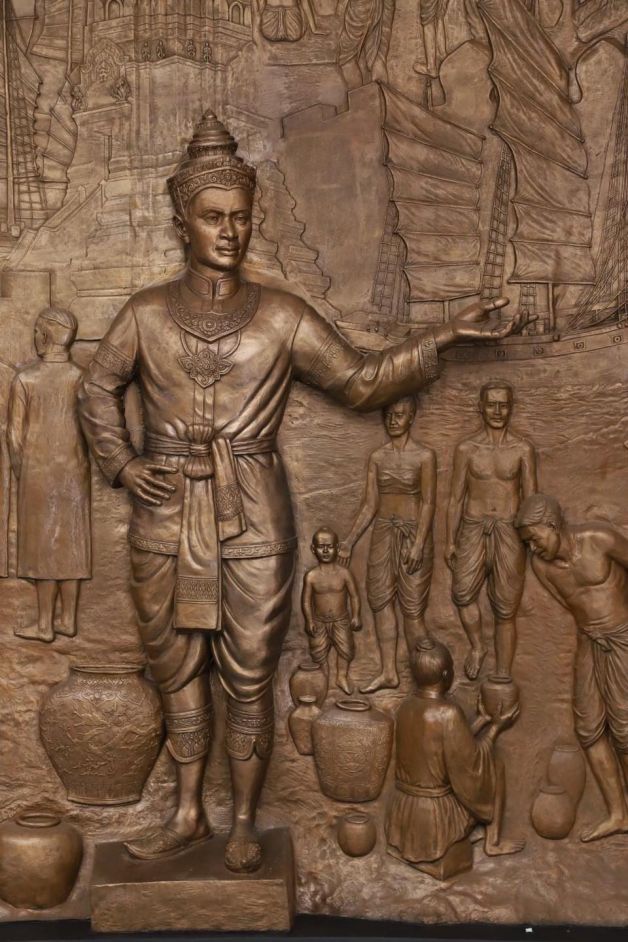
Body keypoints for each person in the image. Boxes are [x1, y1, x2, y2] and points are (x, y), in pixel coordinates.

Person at [78, 109, 529, 873]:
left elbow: (361, 381)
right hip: (164, 514)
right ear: (182, 223)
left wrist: (444, 335)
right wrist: (122, 464)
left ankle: (243, 821)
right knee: (177, 671)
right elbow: (96, 388)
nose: (230, 232)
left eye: (241, 217)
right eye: (213, 217)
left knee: (249, 674)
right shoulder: (145, 315)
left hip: (253, 515)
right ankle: (186, 812)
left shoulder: (281, 317)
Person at [515, 494, 628, 842]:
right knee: (589, 728)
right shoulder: (542, 567)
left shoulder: (600, 539)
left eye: (534, 538)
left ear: (552, 525)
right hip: (588, 642)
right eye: (527, 543)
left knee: (625, 727)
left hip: (623, 638)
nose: (533, 548)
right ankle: (618, 814)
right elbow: (571, 605)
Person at [386, 637, 523, 874]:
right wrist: (495, 728)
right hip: (436, 815)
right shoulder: (447, 712)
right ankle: (493, 842)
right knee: (494, 765)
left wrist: (482, 720)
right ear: (446, 674)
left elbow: (444, 747)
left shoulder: (405, 707)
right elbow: (469, 761)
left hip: (404, 809)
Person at [339, 395, 436, 692]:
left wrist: (419, 543)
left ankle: (425, 677)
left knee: (413, 610)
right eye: (389, 415)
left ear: (411, 417)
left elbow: (428, 502)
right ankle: (389, 672)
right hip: (383, 534)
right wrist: (349, 541)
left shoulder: (424, 457)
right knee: (381, 603)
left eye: (400, 414)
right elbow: (370, 504)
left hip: (413, 535)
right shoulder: (377, 458)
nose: (393, 420)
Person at [7, 308, 91, 642]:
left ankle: (44, 625)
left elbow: (14, 436)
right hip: (75, 471)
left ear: (45, 336)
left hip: (37, 473)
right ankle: (67, 620)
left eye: (37, 331)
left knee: (43, 546)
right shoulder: (81, 378)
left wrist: (23, 470)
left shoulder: (25, 380)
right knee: (72, 541)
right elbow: (94, 428)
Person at [445, 381, 537, 681]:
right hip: (473, 527)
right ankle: (477, 646)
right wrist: (449, 540)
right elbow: (456, 498)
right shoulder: (467, 449)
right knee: (462, 594)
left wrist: (530, 538)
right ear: (480, 408)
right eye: (491, 405)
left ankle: (502, 674)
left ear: (511, 408)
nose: (497, 411)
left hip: (509, 531)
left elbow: (531, 500)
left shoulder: (523, 449)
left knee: (506, 608)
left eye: (503, 405)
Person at [302, 527, 361, 694]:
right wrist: (309, 620)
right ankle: (324, 679)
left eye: (330, 546)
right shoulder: (311, 576)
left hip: (341, 620)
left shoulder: (344, 574)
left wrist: (356, 616)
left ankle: (341, 677)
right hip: (319, 621)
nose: (326, 551)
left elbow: (354, 596)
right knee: (319, 651)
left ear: (337, 548)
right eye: (321, 547)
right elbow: (306, 600)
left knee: (346, 649)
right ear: (313, 549)